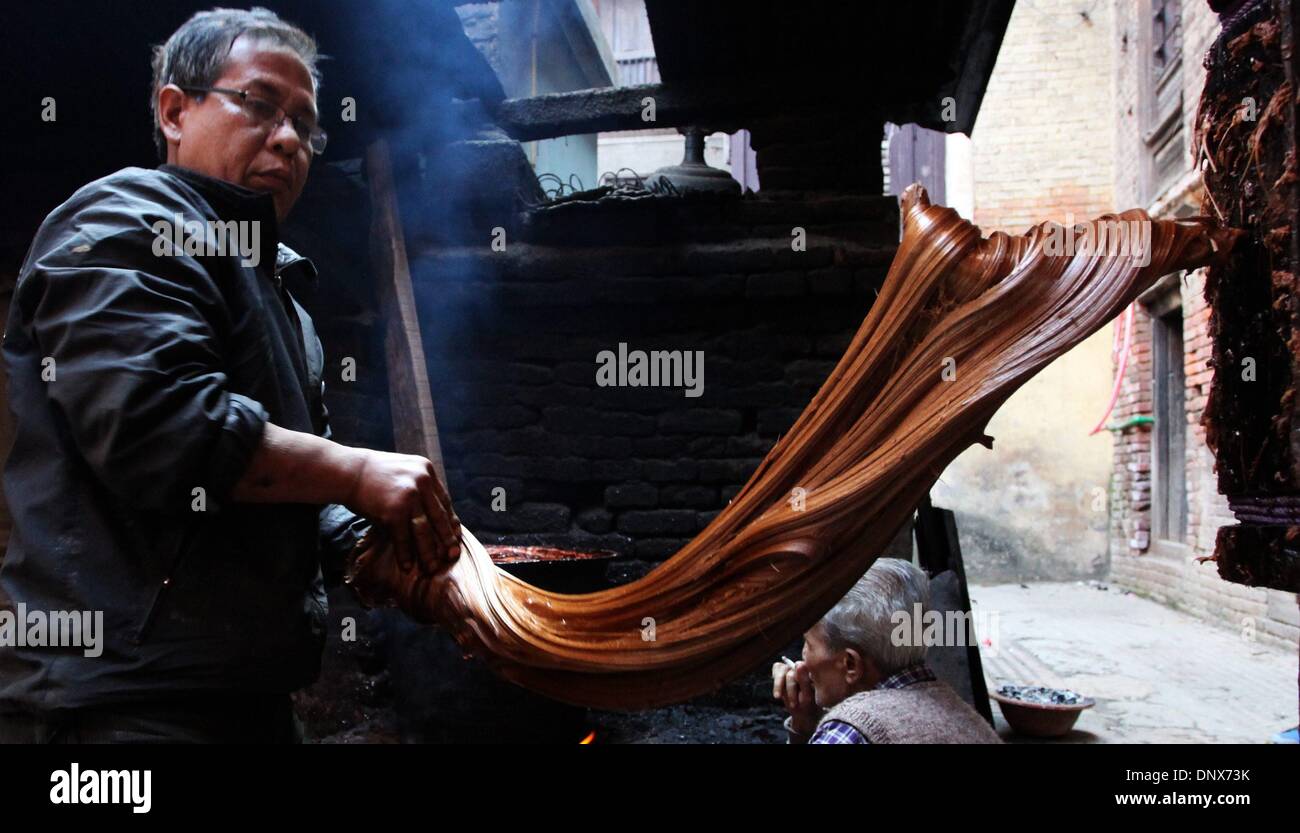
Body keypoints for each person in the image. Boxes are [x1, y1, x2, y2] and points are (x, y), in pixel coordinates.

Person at [0, 7, 459, 743]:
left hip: (243, 691)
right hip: (116, 702)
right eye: (258, 104)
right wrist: (358, 471)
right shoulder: (121, 221)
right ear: (174, 110)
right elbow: (162, 426)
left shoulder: (282, 294)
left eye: (306, 125)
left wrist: (367, 548)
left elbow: (299, 484)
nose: (288, 139)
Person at [772, 558, 1001, 744]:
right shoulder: (963, 714)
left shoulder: (850, 731)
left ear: (851, 665)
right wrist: (805, 724)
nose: (803, 657)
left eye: (808, 644)